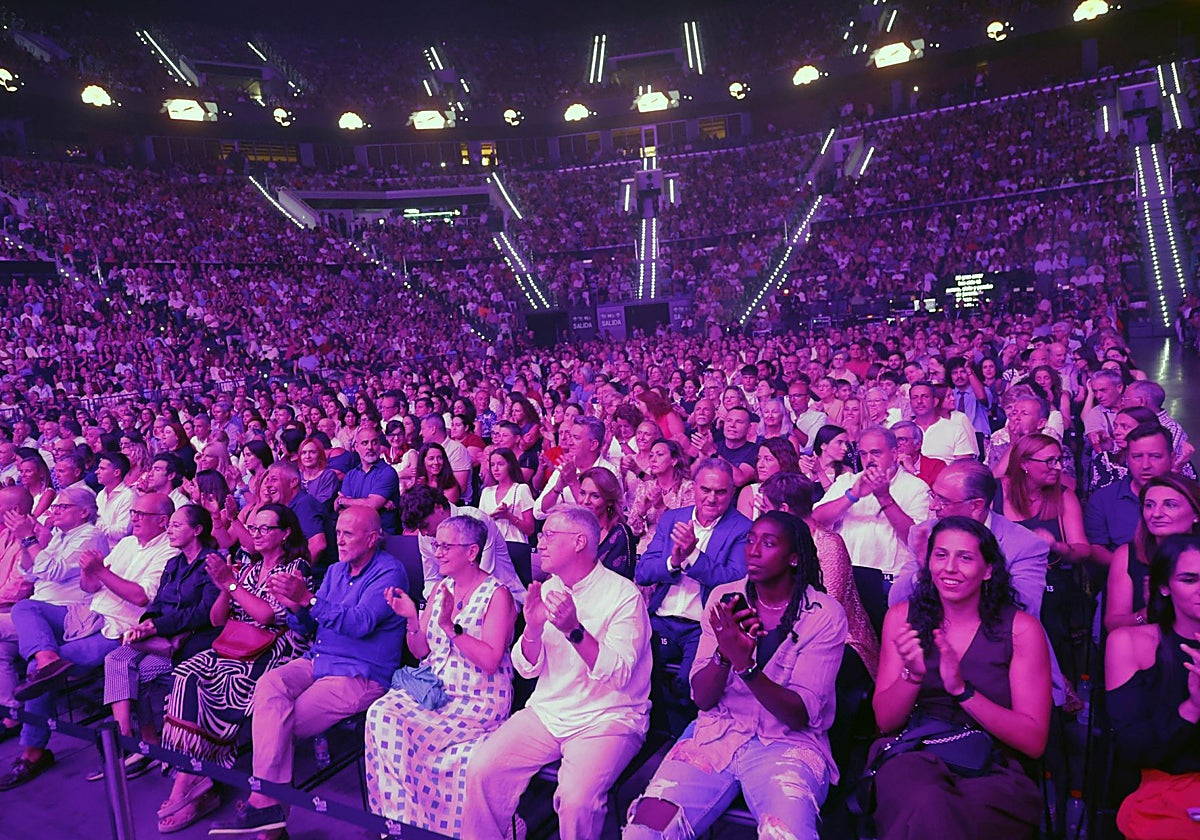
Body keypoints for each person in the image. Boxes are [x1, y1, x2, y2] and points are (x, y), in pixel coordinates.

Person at [625, 511, 849, 839]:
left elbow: (799, 714)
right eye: (751, 540)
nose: (753, 550)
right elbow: (701, 698)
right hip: (717, 732)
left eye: (769, 543)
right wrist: (723, 654)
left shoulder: (823, 615)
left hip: (787, 745)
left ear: (794, 559)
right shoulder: (724, 598)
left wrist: (747, 667)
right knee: (642, 833)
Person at [207, 505, 407, 836]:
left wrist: (310, 600)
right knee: (271, 684)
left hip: (360, 674)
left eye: (348, 534)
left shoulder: (390, 572)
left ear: (372, 538)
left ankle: (265, 812)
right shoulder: (336, 571)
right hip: (319, 660)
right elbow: (306, 627)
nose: (339, 540)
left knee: (278, 723)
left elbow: (361, 623)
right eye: (338, 532)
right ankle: (268, 810)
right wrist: (294, 605)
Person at [462, 506, 652, 840]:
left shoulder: (624, 596)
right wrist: (533, 628)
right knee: (482, 769)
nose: (540, 542)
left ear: (579, 542)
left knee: (577, 800)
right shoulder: (550, 588)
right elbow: (525, 667)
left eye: (549, 534)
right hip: (550, 710)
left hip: (608, 717)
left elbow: (620, 674)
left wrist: (574, 630)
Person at [871, 517, 1051, 839]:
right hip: (916, 750)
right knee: (926, 801)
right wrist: (912, 676)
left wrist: (962, 691)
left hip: (993, 763)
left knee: (950, 812)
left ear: (988, 570)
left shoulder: (1021, 629)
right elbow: (885, 721)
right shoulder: (901, 618)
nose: (949, 568)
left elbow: (1034, 741)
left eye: (965, 558)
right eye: (940, 555)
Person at [3, 492, 177, 790]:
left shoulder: (168, 552)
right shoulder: (125, 544)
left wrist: (99, 571)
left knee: (38, 677)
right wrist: (90, 573)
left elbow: (140, 596)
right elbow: (88, 586)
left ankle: (33, 752)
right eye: (132, 512)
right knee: (25, 608)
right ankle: (47, 658)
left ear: (163, 521)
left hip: (118, 629)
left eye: (140, 514)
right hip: (87, 613)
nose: (133, 518)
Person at [156, 504, 313, 833]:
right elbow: (216, 619)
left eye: (264, 529)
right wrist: (225, 586)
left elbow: (268, 617)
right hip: (235, 643)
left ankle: (191, 781)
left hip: (274, 648)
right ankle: (194, 774)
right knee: (188, 673)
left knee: (226, 682)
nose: (255, 534)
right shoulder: (248, 567)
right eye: (253, 528)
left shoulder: (294, 568)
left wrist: (231, 586)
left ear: (285, 534)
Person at [364, 515, 516, 837]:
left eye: (447, 546)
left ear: (472, 552)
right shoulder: (441, 589)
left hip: (478, 698)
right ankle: (404, 825)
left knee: (418, 742)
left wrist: (450, 626)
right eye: (437, 545)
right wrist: (410, 618)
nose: (438, 553)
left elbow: (490, 660)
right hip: (436, 691)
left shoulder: (496, 595)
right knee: (381, 714)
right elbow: (420, 650)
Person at [93, 504, 221, 781]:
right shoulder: (175, 562)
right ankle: (126, 738)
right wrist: (146, 623)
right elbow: (160, 601)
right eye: (170, 525)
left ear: (197, 530)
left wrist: (156, 626)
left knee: (139, 675)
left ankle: (144, 746)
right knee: (116, 658)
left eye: (176, 525)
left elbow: (204, 613)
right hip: (162, 634)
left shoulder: (211, 563)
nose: (169, 530)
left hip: (191, 640)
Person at [636, 458, 751, 735]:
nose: (711, 498)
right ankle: (646, 736)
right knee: (634, 669)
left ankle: (686, 740)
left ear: (732, 493)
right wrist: (674, 562)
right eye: (705, 490)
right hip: (661, 619)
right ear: (694, 489)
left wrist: (692, 556)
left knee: (688, 686)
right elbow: (643, 571)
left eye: (720, 492)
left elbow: (734, 580)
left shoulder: (743, 528)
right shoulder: (673, 518)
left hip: (703, 626)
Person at [1105, 533, 1200, 840]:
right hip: (1166, 789)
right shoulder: (1132, 643)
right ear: (1164, 587)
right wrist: (1192, 708)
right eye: (1189, 579)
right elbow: (1132, 748)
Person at [760, 473, 880, 676]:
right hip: (790, 629)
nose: (762, 514)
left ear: (783, 510)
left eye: (766, 508)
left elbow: (828, 608)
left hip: (840, 638)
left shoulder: (828, 545)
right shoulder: (778, 541)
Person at [1000, 433, 1090, 681]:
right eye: (1049, 461)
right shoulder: (998, 491)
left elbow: (1082, 550)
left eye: (1059, 460)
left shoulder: (1063, 495)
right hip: (1001, 587)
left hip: (1050, 587)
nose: (1058, 467)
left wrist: (1056, 546)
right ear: (1024, 463)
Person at [812, 426, 931, 589]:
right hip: (845, 579)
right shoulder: (847, 481)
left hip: (888, 583)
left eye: (876, 453)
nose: (869, 460)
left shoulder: (916, 488)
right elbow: (816, 521)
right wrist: (852, 496)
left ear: (894, 454)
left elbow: (918, 542)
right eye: (863, 454)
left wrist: (884, 497)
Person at [1105, 473, 1200, 631]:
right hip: (1143, 645)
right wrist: (1148, 614)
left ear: (1196, 514)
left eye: (1170, 505)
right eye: (1149, 505)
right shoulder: (1127, 554)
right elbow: (1112, 624)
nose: (1156, 514)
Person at [627, 439, 694, 556]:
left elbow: (685, 530)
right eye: (651, 455)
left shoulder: (688, 488)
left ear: (673, 461)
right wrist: (641, 513)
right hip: (644, 551)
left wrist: (661, 507)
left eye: (660, 455)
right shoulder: (645, 487)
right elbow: (634, 531)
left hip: (674, 551)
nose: (653, 459)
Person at [336, 425, 401, 533]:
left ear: (380, 445)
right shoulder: (350, 475)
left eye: (374, 442)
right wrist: (373, 503)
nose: (370, 447)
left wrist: (344, 501)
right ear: (356, 447)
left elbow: (371, 505)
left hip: (382, 538)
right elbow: (341, 511)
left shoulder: (387, 473)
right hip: (355, 535)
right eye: (365, 443)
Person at [578, 466, 636, 579]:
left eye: (595, 496)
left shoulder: (620, 533)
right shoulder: (571, 527)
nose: (585, 501)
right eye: (582, 493)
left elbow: (620, 582)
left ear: (609, 501)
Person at [478, 446, 535, 544]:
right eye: (492, 465)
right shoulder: (486, 492)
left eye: (500, 464)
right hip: (491, 545)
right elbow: (480, 526)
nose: (495, 469)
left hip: (515, 544)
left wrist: (508, 516)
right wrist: (491, 517)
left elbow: (530, 529)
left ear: (510, 465)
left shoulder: (521, 489)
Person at [736, 436, 799, 520]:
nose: (760, 465)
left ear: (784, 462)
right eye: (759, 459)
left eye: (768, 459)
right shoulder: (749, 492)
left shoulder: (798, 491)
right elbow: (743, 530)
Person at [95, 451, 135, 550]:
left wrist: (94, 523)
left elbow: (122, 532)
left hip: (116, 551)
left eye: (102, 469)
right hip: (97, 547)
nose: (97, 472)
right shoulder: (101, 495)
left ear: (116, 472)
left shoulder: (129, 496)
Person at [297, 436, 339, 505]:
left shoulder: (328, 476)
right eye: (304, 453)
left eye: (312, 452)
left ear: (320, 455)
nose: (307, 456)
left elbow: (322, 503)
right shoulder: (297, 475)